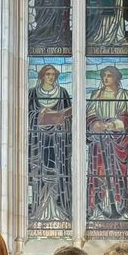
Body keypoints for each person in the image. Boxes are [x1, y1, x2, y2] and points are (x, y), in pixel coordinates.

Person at [28, 64, 74, 224]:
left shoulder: (62, 93)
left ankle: (60, 211)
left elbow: (69, 115)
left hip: (58, 142)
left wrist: (61, 118)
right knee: (41, 175)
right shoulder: (32, 93)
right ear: (42, 76)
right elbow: (26, 116)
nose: (50, 77)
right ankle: (40, 211)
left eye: (53, 74)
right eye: (48, 74)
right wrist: (39, 115)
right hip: (39, 142)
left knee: (59, 174)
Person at [86, 65, 128, 220]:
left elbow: (127, 118)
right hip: (98, 144)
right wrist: (94, 124)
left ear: (117, 78)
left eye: (109, 75)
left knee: (118, 175)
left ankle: (119, 205)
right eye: (103, 75)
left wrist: (111, 125)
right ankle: (98, 207)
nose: (105, 78)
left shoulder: (123, 94)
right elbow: (89, 116)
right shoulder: (95, 94)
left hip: (117, 143)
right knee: (99, 173)